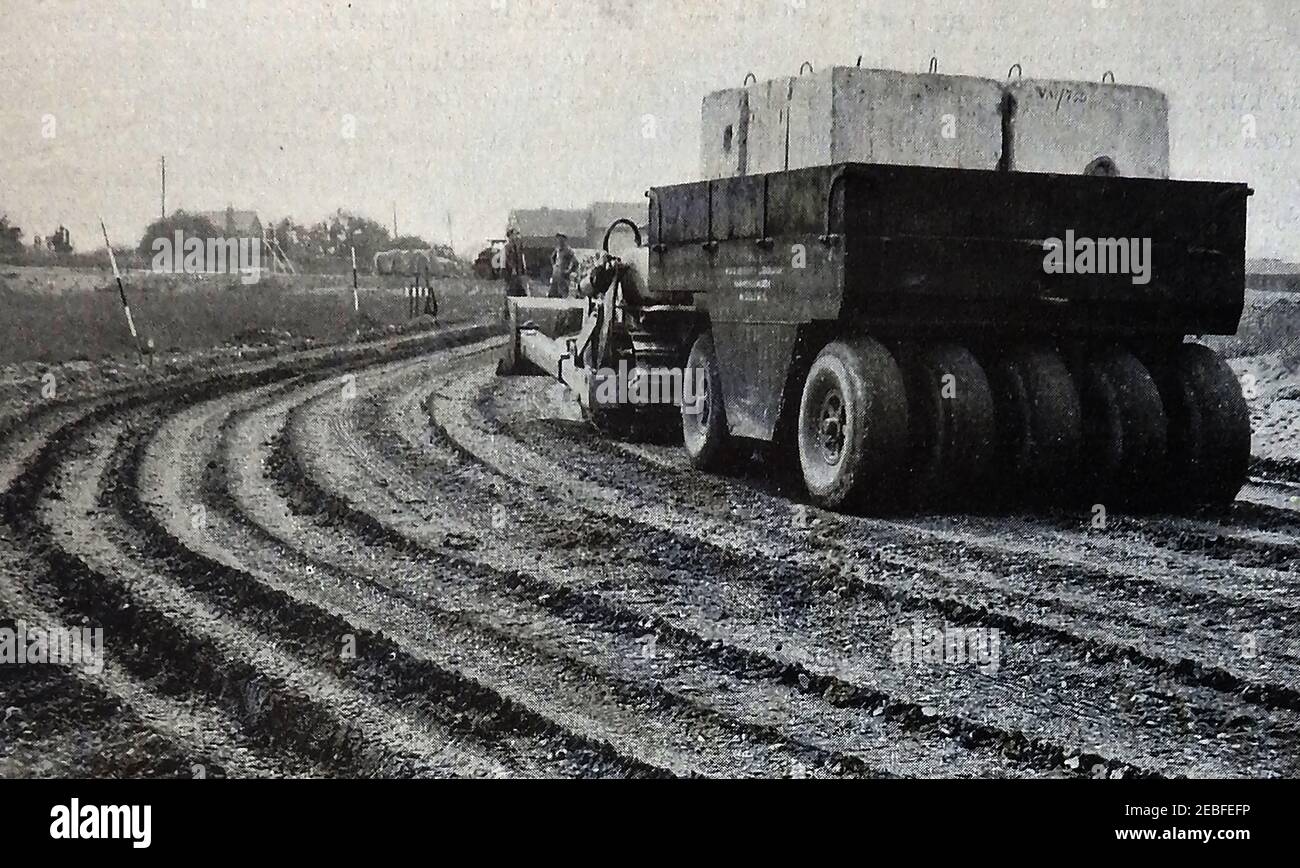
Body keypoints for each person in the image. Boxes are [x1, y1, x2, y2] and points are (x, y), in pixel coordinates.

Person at [501, 227, 528, 318]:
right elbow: (508, 260)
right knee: (511, 292)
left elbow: (521, 258)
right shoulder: (507, 247)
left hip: (517, 273)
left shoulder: (518, 246)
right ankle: (507, 312)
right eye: (514, 234)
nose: (516, 236)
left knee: (519, 292)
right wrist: (513, 269)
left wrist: (523, 269)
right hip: (511, 273)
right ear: (510, 236)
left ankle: (517, 312)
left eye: (517, 234)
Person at [549, 233, 579, 299]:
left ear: (564, 240)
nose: (559, 240)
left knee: (563, 289)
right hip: (556, 271)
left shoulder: (568, 250)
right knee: (554, 288)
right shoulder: (557, 249)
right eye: (558, 239)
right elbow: (552, 257)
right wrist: (554, 265)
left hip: (563, 272)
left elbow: (575, 261)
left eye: (561, 239)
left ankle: (564, 299)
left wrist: (569, 270)